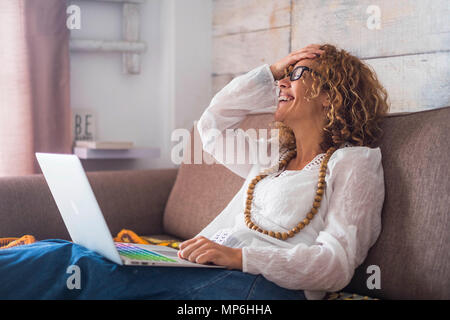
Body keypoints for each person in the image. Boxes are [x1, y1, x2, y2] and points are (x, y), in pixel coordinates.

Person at [0, 44, 389, 300]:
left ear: (331, 95)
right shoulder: (270, 157)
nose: (284, 82)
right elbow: (212, 125)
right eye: (284, 75)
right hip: (218, 268)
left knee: (79, 267)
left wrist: (240, 257)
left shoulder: (353, 163)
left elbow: (335, 265)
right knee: (63, 250)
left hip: (263, 288)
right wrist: (269, 71)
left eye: (298, 74)